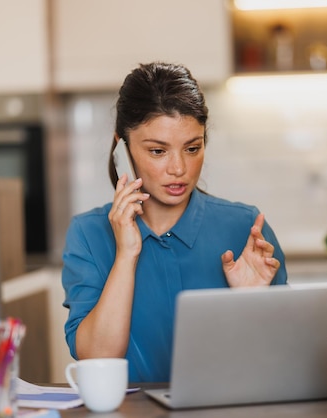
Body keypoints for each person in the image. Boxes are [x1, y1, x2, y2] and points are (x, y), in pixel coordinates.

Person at [62, 62, 288, 382]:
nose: (179, 168)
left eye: (192, 148)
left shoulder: (246, 227)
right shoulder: (88, 234)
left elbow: (284, 359)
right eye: (158, 151)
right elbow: (97, 358)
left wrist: (250, 304)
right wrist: (126, 255)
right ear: (122, 146)